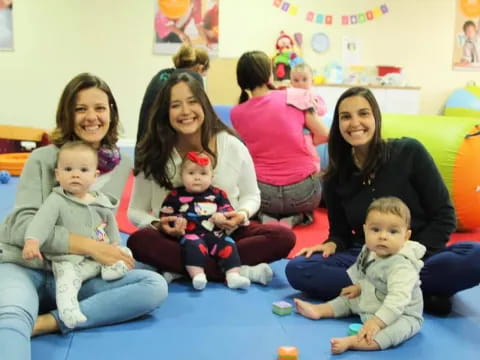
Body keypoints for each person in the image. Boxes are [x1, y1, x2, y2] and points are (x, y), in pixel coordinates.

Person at [0, 73, 167, 360]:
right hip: (26, 267)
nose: (92, 117)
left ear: (111, 112)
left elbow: (101, 225)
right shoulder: (43, 159)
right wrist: (90, 246)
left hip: (79, 275)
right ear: (67, 114)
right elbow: (20, 228)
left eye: (100, 108)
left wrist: (112, 252)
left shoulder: (119, 165)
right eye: (81, 109)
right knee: (12, 318)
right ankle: (27, 319)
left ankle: (49, 321)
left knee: (154, 286)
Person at [285, 86, 480, 316]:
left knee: (474, 256)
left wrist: (407, 256)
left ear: (375, 118)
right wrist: (332, 244)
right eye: (345, 117)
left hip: (420, 255)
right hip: (368, 258)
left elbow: (444, 216)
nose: (355, 122)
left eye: (363, 113)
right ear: (338, 125)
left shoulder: (409, 152)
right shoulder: (336, 176)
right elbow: (341, 234)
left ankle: (376, 293)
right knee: (298, 269)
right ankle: (413, 294)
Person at [127, 71, 295, 286]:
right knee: (140, 241)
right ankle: (237, 269)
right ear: (164, 112)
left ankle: (186, 269)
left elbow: (251, 195)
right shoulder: (154, 153)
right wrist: (158, 224)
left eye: (192, 102)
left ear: (204, 104)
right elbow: (135, 210)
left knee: (282, 237)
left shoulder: (232, 145)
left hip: (227, 235)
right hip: (178, 239)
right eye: (175, 105)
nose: (186, 111)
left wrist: (241, 214)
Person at [18, 141, 132, 329]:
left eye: (83, 170)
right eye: (68, 169)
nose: (75, 174)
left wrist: (115, 247)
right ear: (58, 174)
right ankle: (67, 310)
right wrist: (32, 241)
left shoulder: (100, 201)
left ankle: (111, 270)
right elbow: (41, 222)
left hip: (96, 258)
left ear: (95, 175)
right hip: (68, 258)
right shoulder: (56, 200)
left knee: (126, 252)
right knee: (67, 281)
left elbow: (111, 225)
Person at [295, 197, 425, 354]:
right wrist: (359, 286)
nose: (383, 236)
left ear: (406, 237)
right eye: (375, 230)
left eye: (393, 231)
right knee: (348, 299)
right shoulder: (369, 250)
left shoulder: (402, 265)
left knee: (393, 332)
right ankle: (320, 310)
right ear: (365, 231)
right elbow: (365, 273)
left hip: (401, 313)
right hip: (374, 299)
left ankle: (353, 342)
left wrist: (376, 323)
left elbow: (397, 300)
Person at [231, 51, 329, 228]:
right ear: (269, 74)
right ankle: (299, 215)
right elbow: (324, 135)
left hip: (263, 196)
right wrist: (300, 140)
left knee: (246, 190)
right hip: (305, 194)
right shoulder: (295, 96)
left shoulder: (236, 113)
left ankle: (264, 215)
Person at [160, 151, 250, 290]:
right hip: (190, 235)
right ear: (181, 176)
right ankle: (198, 275)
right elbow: (166, 216)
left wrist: (222, 216)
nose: (197, 178)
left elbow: (228, 209)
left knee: (229, 244)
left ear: (211, 176)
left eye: (203, 174)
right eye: (191, 173)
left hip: (215, 234)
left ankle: (233, 276)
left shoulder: (218, 194)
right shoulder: (175, 195)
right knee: (193, 246)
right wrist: (175, 224)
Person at [136, 44, 210, 145]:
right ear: (199, 68)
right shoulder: (194, 77)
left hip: (144, 149)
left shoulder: (161, 75)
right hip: (166, 149)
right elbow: (201, 119)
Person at [288, 62, 328, 173]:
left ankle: (315, 169)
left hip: (307, 132)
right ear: (291, 82)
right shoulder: (289, 95)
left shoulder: (313, 96)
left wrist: (315, 106)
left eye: (304, 79)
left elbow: (323, 109)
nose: (300, 83)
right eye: (296, 80)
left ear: (312, 81)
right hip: (292, 131)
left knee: (311, 152)